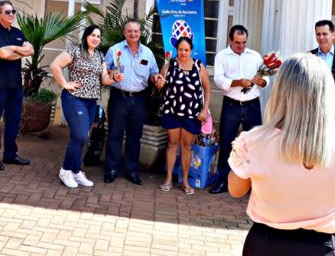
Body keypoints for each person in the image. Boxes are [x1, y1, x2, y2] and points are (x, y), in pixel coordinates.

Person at [227, 53, 335, 255]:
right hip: (327, 247)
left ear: (281, 92)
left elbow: (236, 190)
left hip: (267, 245)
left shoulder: (254, 142)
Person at [49, 25, 114, 188]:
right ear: (86, 36)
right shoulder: (75, 50)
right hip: (74, 99)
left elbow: (104, 79)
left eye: (99, 36)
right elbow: (55, 65)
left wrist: (115, 78)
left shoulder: (100, 55)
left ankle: (76, 171)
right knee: (80, 136)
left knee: (82, 136)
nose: (96, 38)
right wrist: (65, 84)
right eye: (93, 35)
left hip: (91, 102)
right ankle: (65, 170)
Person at [210, 25, 266, 195]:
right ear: (230, 40)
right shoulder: (222, 56)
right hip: (232, 105)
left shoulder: (255, 56)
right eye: (237, 42)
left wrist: (261, 82)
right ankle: (222, 181)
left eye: (243, 42)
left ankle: (253, 185)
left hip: (252, 104)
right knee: (227, 144)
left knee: (255, 145)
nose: (241, 46)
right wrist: (238, 82)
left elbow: (266, 80)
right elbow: (219, 81)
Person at [104, 19, 161, 185]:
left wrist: (156, 77)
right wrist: (112, 73)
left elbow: (154, 73)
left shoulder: (147, 53)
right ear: (124, 33)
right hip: (118, 97)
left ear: (140, 32)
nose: (133, 34)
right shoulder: (114, 50)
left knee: (135, 136)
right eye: (130, 31)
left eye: (136, 31)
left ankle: (131, 170)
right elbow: (104, 71)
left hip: (139, 99)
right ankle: (112, 169)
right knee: (114, 134)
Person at [154, 36, 211, 195]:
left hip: (192, 114)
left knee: (186, 146)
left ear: (191, 50)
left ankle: (185, 180)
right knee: (172, 144)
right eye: (180, 49)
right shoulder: (169, 64)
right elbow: (159, 84)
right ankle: (168, 178)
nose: (183, 52)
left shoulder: (199, 66)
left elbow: (207, 89)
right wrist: (159, 82)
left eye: (186, 50)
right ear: (176, 50)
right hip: (172, 111)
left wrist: (204, 110)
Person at [0, 0, 34, 170]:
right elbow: (4, 54)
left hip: (15, 84)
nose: (12, 14)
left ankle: (10, 155)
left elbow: (31, 50)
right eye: (8, 12)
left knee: (14, 120)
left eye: (13, 11)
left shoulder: (18, 32)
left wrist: (12, 50)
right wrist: (16, 50)